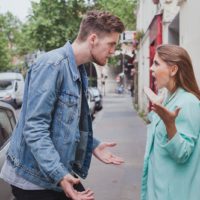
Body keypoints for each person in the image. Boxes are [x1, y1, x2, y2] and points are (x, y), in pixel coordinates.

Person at [0, 10, 125, 200]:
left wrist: (93, 145)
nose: (112, 51)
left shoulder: (76, 68)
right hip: (32, 180)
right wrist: (60, 175)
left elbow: (65, 124)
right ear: (93, 39)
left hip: (51, 172)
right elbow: (34, 129)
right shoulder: (52, 65)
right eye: (111, 44)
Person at [141, 44, 200, 200]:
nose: (151, 69)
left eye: (156, 63)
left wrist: (169, 124)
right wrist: (157, 108)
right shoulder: (167, 97)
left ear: (173, 70)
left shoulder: (188, 102)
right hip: (157, 191)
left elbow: (183, 153)